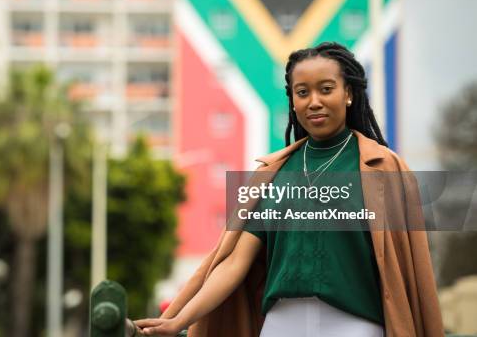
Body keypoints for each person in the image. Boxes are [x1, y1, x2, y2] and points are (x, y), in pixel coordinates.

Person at [134, 42, 444, 337]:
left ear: (348, 93)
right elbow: (234, 262)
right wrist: (178, 322)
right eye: (302, 92)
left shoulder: (383, 167)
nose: (314, 102)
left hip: (357, 326)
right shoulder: (273, 175)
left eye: (326, 89)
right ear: (292, 101)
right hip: (281, 325)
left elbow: (408, 270)